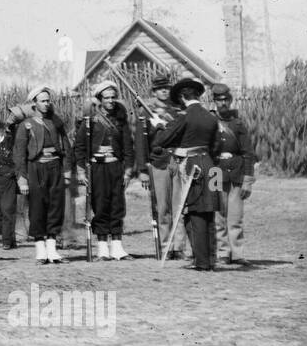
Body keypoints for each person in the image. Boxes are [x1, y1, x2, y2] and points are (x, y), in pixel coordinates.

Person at [155, 77, 221, 272]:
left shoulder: (184, 116)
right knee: (208, 211)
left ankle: (201, 262)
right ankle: (210, 259)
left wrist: (161, 125)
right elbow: (216, 146)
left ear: (183, 97)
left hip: (193, 167)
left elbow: (163, 140)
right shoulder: (211, 117)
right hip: (210, 165)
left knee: (195, 212)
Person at [74, 81, 134, 261]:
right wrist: (81, 171)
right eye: (106, 97)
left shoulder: (121, 121)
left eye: (113, 97)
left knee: (117, 205)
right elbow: (79, 147)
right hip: (97, 168)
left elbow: (128, 148)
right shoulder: (89, 121)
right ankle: (102, 249)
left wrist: (128, 171)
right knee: (100, 206)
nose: (110, 100)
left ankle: (117, 248)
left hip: (115, 167)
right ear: (99, 100)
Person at [14, 85, 72, 264]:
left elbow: (66, 147)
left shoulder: (55, 122)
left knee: (56, 207)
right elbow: (19, 154)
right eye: (43, 101)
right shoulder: (26, 125)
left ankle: (53, 250)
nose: (46, 104)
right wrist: (22, 179)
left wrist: (67, 171)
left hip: (55, 167)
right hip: (35, 169)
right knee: (38, 208)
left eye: (48, 101)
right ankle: (41, 251)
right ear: (34, 103)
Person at [134, 75, 186, 259]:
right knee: (162, 208)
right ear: (154, 92)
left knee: (179, 206)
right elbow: (140, 143)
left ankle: (179, 247)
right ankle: (166, 246)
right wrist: (142, 170)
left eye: (166, 88)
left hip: (178, 161)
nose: (164, 91)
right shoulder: (146, 112)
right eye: (160, 89)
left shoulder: (178, 109)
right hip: (158, 162)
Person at [211, 82, 256, 265]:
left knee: (235, 217)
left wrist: (247, 179)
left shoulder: (238, 124)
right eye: (218, 100)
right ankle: (223, 253)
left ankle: (237, 253)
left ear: (230, 101)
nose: (222, 104)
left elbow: (248, 153)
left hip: (236, 173)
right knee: (218, 216)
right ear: (214, 101)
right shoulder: (210, 122)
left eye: (225, 100)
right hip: (215, 172)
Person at [0, 108, 23, 250]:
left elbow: (17, 158)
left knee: (8, 209)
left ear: (2, 129)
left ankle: (6, 241)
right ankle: (10, 239)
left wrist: (12, 174)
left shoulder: (9, 141)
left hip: (8, 179)